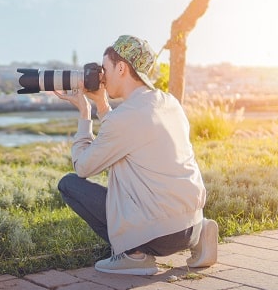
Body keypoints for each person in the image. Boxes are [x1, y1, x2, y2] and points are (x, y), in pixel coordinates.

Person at [54, 35, 218, 275]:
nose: (101, 76)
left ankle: (134, 254)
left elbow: (83, 167)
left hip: (158, 236)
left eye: (105, 69)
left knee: (69, 184)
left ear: (121, 68)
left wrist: (84, 115)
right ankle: (200, 234)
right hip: (189, 223)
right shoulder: (169, 103)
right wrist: (102, 104)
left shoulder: (125, 118)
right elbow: (124, 131)